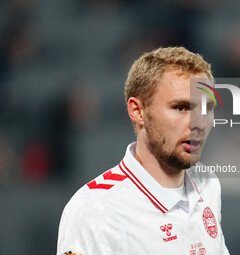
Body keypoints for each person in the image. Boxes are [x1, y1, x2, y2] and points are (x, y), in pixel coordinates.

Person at [56, 47, 230, 255]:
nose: (198, 123)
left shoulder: (207, 183)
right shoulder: (95, 210)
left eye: (206, 108)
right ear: (137, 111)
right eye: (181, 107)